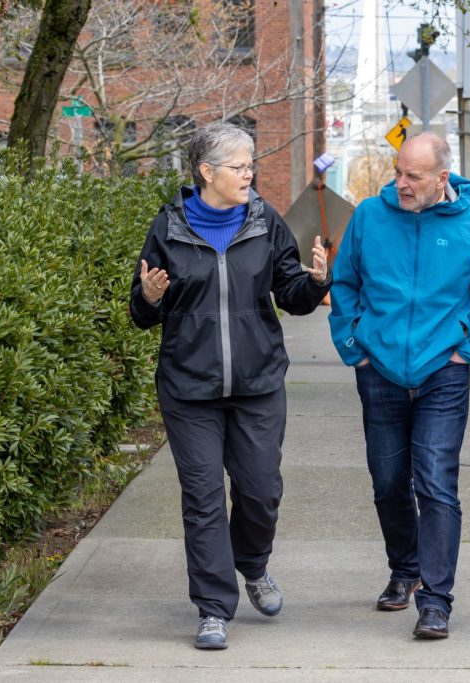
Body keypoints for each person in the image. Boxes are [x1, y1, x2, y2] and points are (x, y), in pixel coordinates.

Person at [130, 123, 331, 650]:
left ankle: (254, 565)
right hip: (188, 388)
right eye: (240, 167)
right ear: (207, 172)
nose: (249, 174)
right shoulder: (168, 228)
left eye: (250, 166)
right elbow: (141, 311)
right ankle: (213, 609)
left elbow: (290, 294)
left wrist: (313, 282)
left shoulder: (265, 223)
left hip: (257, 384)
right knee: (202, 500)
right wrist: (150, 298)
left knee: (261, 491)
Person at [328, 132, 470, 640]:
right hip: (379, 369)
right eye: (398, 172)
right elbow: (345, 284)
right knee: (388, 483)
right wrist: (353, 347)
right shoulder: (369, 216)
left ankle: (436, 600)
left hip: (443, 372)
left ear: (441, 179)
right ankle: (404, 570)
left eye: (414, 176)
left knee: (435, 483)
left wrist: (467, 350)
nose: (401, 183)